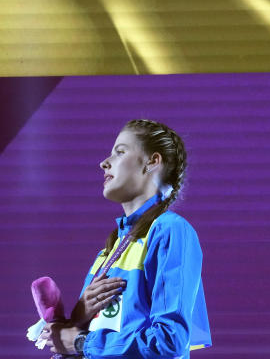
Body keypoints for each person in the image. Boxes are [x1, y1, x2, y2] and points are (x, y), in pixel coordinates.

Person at [41, 119, 212, 358]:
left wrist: (81, 342)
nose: (104, 163)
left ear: (152, 162)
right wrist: (75, 323)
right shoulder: (108, 252)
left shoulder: (170, 231)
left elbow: (169, 342)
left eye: (120, 152)